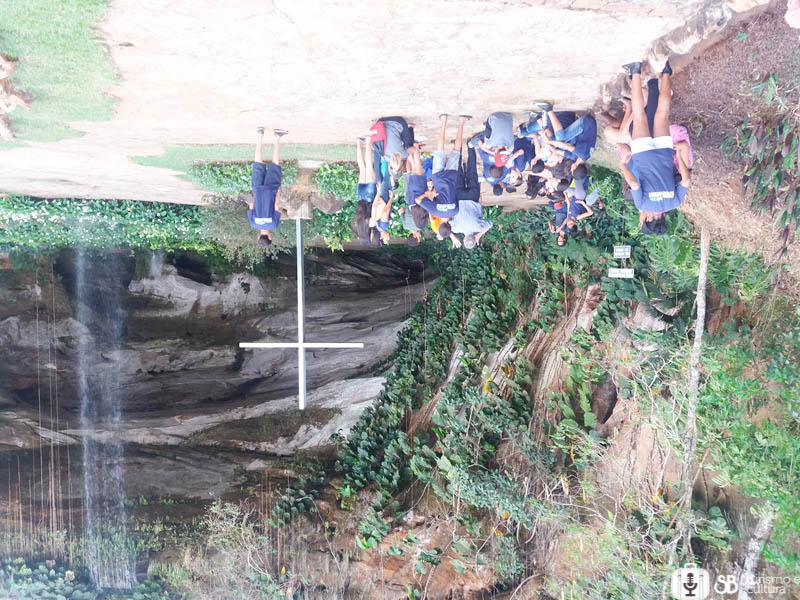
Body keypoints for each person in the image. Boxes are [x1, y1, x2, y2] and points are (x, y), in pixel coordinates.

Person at [619, 59, 690, 234]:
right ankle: (635, 71)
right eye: (644, 221)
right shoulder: (643, 204)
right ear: (649, 219)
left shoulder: (675, 203)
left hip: (664, 152)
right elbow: (634, 184)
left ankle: (666, 72)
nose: (643, 218)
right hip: (643, 154)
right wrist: (623, 166)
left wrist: (679, 157)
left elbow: (686, 180)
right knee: (639, 114)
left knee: (662, 113)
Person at [416, 114, 470, 225]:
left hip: (451, 177)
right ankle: (443, 121)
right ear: (440, 224)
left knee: (456, 151)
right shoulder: (435, 212)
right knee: (440, 150)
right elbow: (418, 200)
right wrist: (429, 193)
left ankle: (461, 122)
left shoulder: (455, 211)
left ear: (449, 224)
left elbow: (457, 195)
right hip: (438, 178)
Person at [247, 127, 287, 247]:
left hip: (271, 190)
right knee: (258, 163)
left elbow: (276, 206)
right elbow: (251, 204)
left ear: (269, 237)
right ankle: (260, 135)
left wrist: (278, 192)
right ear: (259, 237)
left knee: (275, 164)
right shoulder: (253, 223)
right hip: (258, 190)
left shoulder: (273, 225)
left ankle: (277, 137)